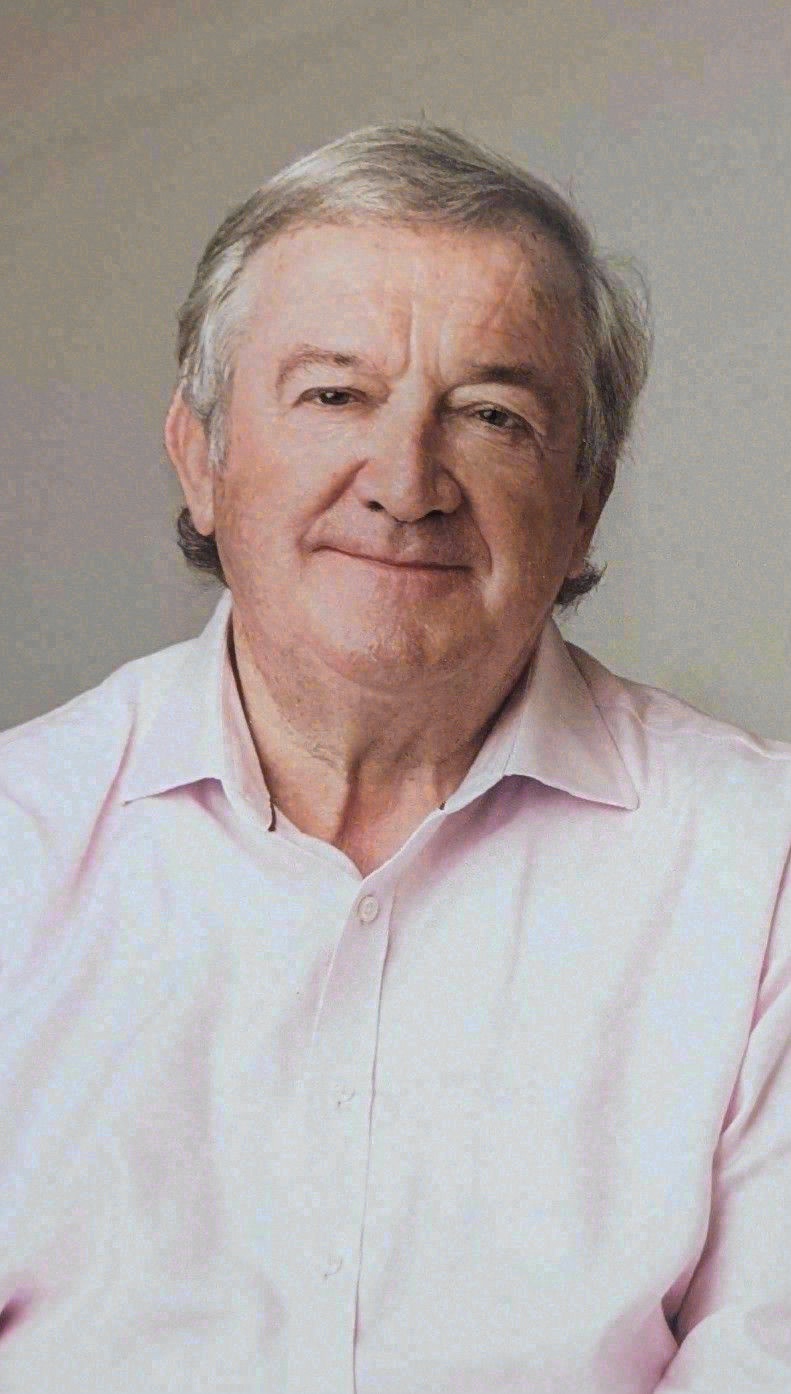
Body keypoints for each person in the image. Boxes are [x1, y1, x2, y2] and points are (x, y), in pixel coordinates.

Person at [1, 122, 789, 1394]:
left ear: (583, 501)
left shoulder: (759, 867)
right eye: (335, 395)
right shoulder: (20, 840)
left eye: (491, 415)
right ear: (200, 455)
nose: (405, 481)